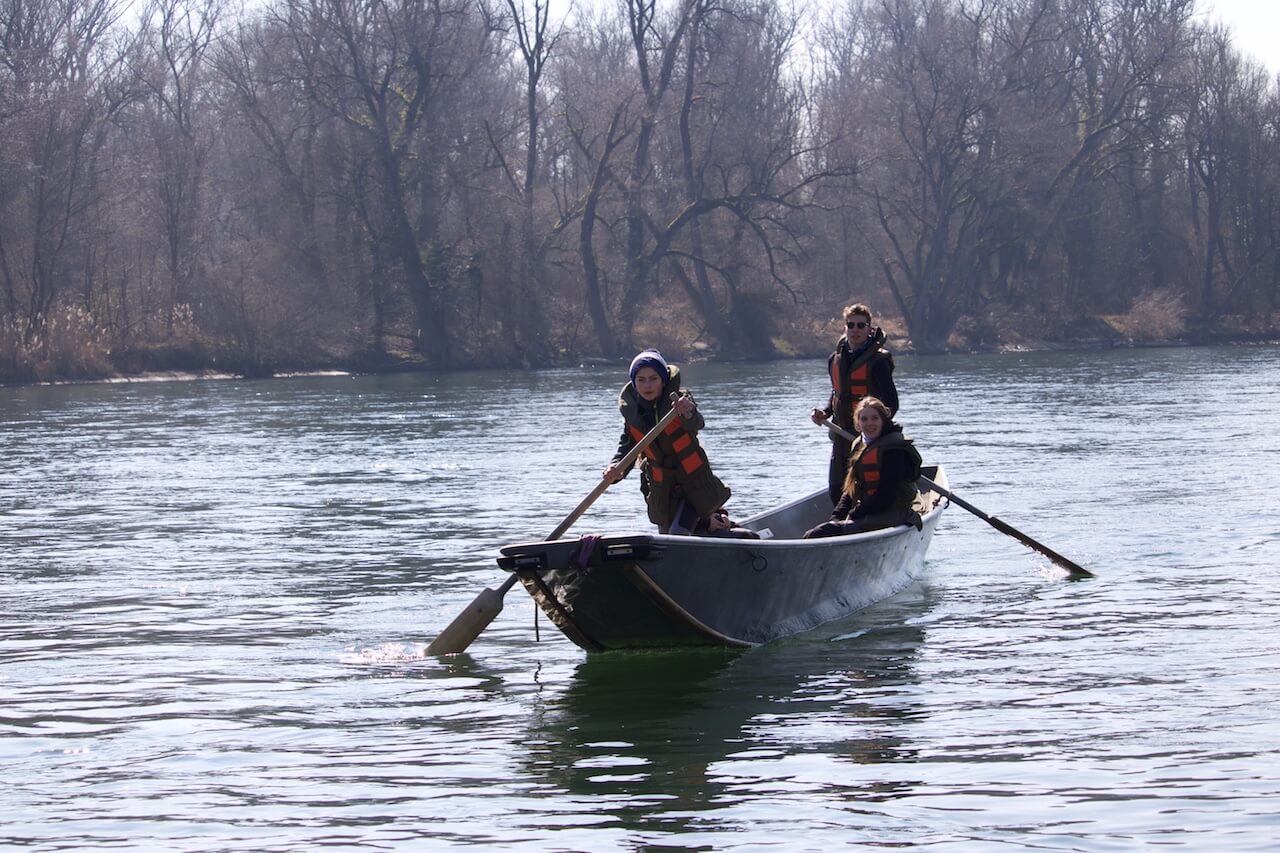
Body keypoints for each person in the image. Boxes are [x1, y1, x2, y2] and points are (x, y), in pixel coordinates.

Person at [603, 349, 755, 538]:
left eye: (653, 378)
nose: (647, 385)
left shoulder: (680, 401)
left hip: (694, 488)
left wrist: (688, 411)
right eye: (641, 379)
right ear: (634, 383)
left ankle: (732, 531)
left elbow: (697, 422)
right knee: (668, 537)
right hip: (663, 494)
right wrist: (614, 469)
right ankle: (717, 525)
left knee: (678, 536)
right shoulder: (633, 417)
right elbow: (625, 451)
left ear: (663, 380)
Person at [810, 303, 899, 506]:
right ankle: (842, 525)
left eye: (861, 325)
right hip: (842, 436)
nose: (855, 330)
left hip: (868, 439)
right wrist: (824, 412)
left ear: (870, 329)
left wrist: (874, 431)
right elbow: (837, 394)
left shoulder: (878, 362)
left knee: (866, 490)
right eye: (851, 325)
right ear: (845, 328)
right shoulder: (835, 359)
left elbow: (892, 403)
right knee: (837, 490)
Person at [803, 396, 921, 539]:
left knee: (817, 534)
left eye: (874, 418)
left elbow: (885, 496)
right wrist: (836, 517)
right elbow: (850, 490)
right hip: (871, 512)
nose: (869, 423)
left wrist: (853, 515)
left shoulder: (894, 450)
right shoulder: (860, 445)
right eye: (864, 419)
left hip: (893, 513)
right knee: (826, 529)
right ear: (857, 423)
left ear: (883, 420)